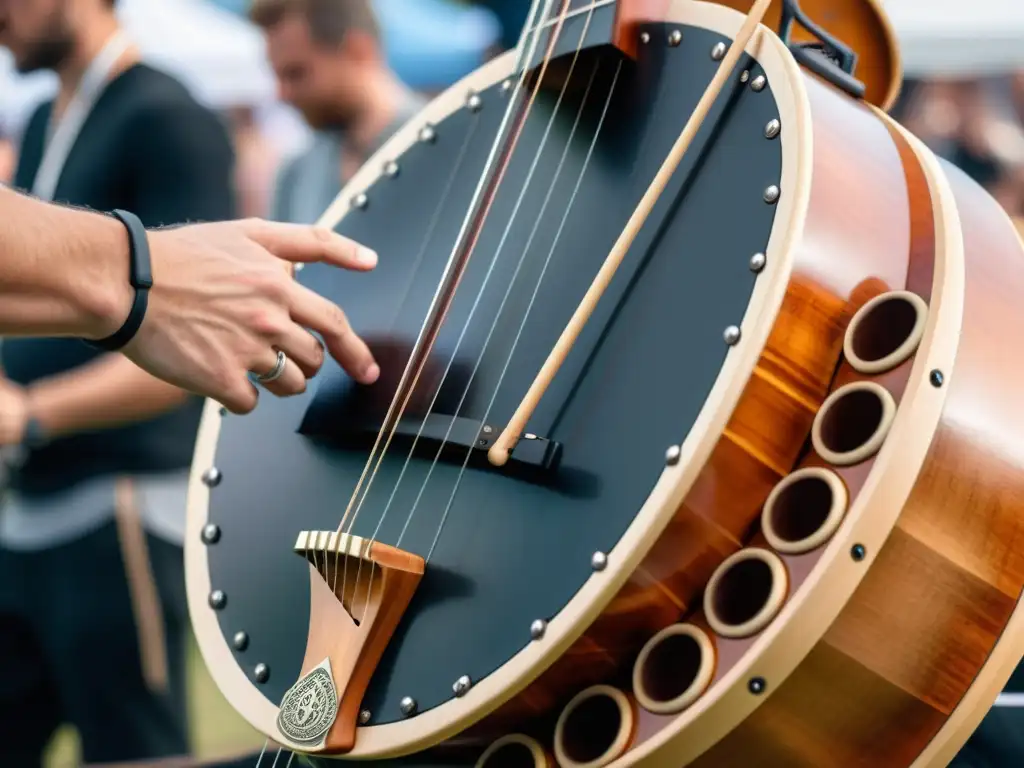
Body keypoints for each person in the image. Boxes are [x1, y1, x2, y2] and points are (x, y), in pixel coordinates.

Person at [0, 1, 368, 764]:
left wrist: (31, 412)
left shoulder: (169, 115)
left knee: (134, 752)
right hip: (26, 510)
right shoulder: (40, 118)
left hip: (120, 506)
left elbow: (198, 345)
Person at [248, 0, 425, 224]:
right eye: (278, 76)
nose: (282, 94)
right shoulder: (297, 172)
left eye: (296, 73)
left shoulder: (441, 143)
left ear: (358, 50)